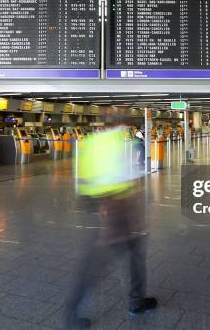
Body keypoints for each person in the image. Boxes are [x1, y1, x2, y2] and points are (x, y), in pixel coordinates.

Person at [65, 128, 156, 329]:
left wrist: (96, 204)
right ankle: (72, 314)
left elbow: (84, 181)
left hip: (111, 209)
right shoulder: (118, 139)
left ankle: (136, 301)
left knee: (132, 257)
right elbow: (124, 176)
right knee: (99, 264)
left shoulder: (89, 141)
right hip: (118, 211)